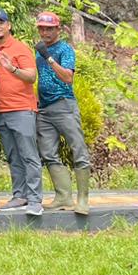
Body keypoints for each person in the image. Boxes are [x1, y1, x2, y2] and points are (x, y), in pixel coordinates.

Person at [0, 8, 44, 216]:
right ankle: (20, 195)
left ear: (8, 25)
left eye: (0, 23)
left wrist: (12, 68)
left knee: (29, 155)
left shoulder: (20, 48)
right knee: (13, 156)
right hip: (0, 110)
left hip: (22, 109)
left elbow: (31, 77)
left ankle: (35, 199)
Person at [34, 11, 92, 215]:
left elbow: (68, 78)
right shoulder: (39, 51)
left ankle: (83, 199)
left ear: (58, 29)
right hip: (44, 108)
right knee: (48, 153)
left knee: (78, 149)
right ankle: (63, 196)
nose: (45, 33)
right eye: (42, 29)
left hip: (64, 105)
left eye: (49, 29)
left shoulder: (65, 49)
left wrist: (48, 57)